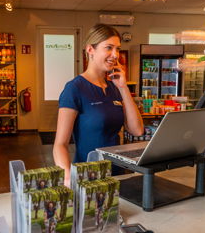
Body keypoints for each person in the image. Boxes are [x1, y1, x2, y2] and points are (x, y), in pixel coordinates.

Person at [53, 24, 144, 186]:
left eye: (117, 49)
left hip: (117, 174)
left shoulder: (115, 88)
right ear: (90, 50)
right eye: (109, 48)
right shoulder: (74, 88)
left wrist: (123, 88)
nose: (115, 55)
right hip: (88, 177)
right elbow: (60, 144)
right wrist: (68, 179)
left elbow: (136, 130)